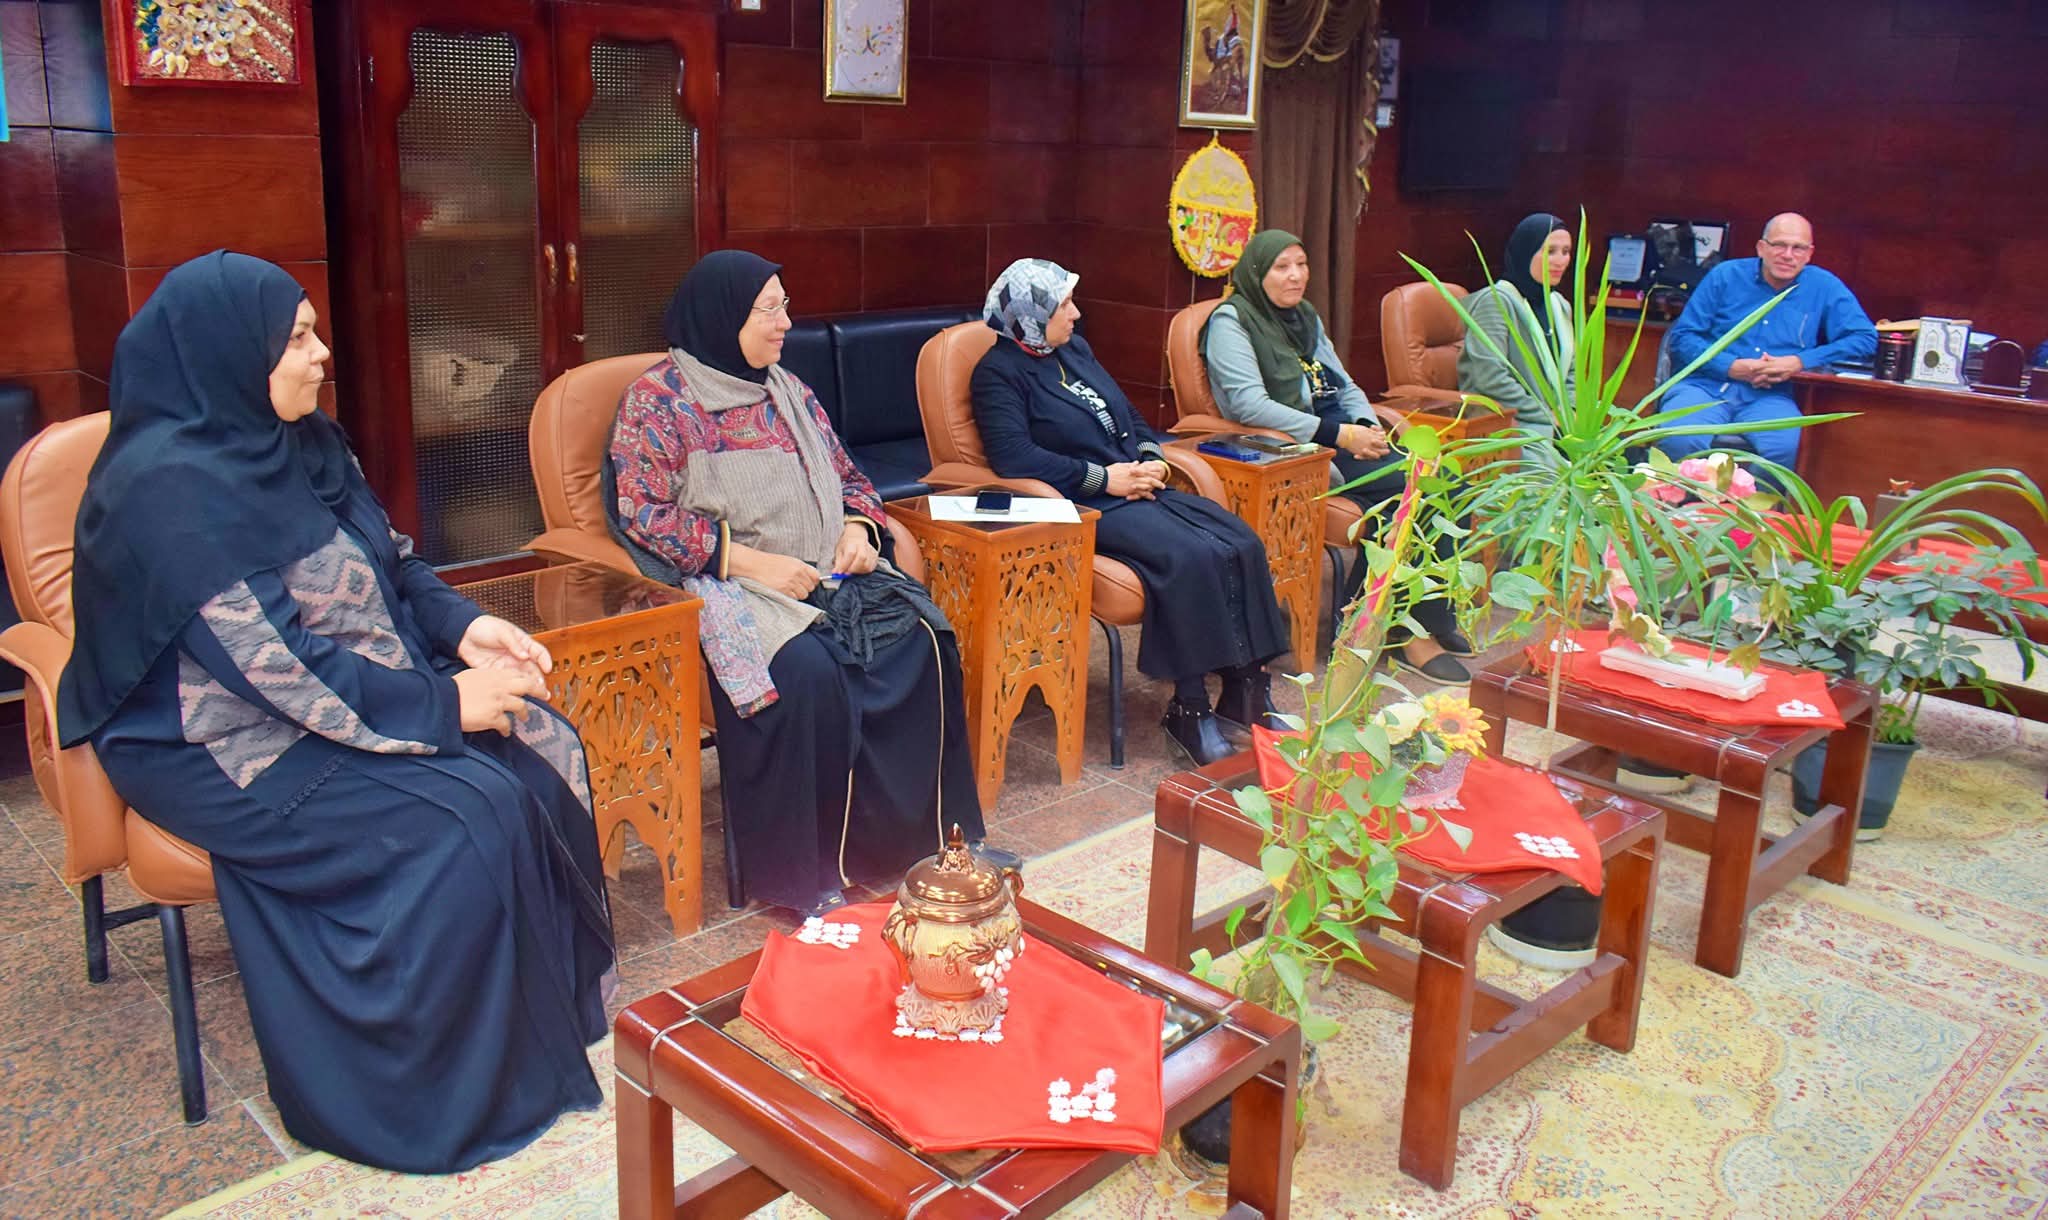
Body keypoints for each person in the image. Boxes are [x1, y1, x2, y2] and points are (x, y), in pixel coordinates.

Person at [58, 252, 615, 1173]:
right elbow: (268, 665)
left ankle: (546, 1026)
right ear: (230, 355)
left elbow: (395, 562)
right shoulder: (166, 492)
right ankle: (438, 1097)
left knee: (542, 742)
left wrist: (465, 627)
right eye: (298, 339)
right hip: (213, 736)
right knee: (460, 816)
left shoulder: (308, 441)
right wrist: (444, 704)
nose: (322, 355)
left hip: (350, 678)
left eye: (315, 332)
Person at [606, 251, 990, 916]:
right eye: (769, 309)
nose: (786, 322)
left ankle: (917, 844)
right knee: (810, 672)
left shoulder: (789, 389)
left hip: (827, 568)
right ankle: (808, 876)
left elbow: (852, 479)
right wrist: (752, 564)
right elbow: (643, 514)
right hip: (738, 583)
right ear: (724, 317)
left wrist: (858, 532)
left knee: (925, 638)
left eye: (784, 305)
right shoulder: (659, 402)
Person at [973, 258, 1291, 764]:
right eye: (1064, 305)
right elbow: (1013, 457)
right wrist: (1104, 478)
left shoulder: (1074, 349)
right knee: (1188, 557)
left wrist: (1151, 459)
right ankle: (1189, 709)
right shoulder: (997, 373)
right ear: (1031, 315)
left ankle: (1246, 690)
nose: (1076, 314)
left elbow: (1130, 415)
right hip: (1081, 504)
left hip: (1135, 487)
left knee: (1242, 541)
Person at [1202, 230, 1474, 686]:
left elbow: (1344, 384)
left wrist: (1366, 425)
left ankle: (1399, 616)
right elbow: (1249, 405)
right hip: (1297, 449)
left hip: (1345, 436)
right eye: (1282, 267)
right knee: (1423, 488)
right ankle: (1411, 632)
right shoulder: (1232, 321)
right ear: (1256, 272)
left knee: (1446, 481)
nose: (1296, 276)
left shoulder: (1304, 316)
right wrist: (1342, 435)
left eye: (1301, 264)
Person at [1653, 212, 1876, 468]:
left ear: (1809, 254)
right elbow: (1682, 337)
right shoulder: (1725, 276)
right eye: (1779, 245)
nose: (1788, 255)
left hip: (1771, 396)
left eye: (1798, 248)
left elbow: (1865, 338)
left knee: (1787, 449)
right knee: (1680, 438)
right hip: (1705, 386)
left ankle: (1751, 497)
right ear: (1761, 247)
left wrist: (1799, 362)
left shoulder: (1823, 286)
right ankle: (1687, 496)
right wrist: (1730, 366)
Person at [1458, 213, 1576, 443]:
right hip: (1507, 424)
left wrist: (1570, 411)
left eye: (1566, 251)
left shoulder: (1560, 305)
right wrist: (1548, 416)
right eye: (1550, 251)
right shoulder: (1495, 302)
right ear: (1526, 251)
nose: (1560, 261)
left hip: (1557, 424)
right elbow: (1490, 379)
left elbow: (1571, 370)